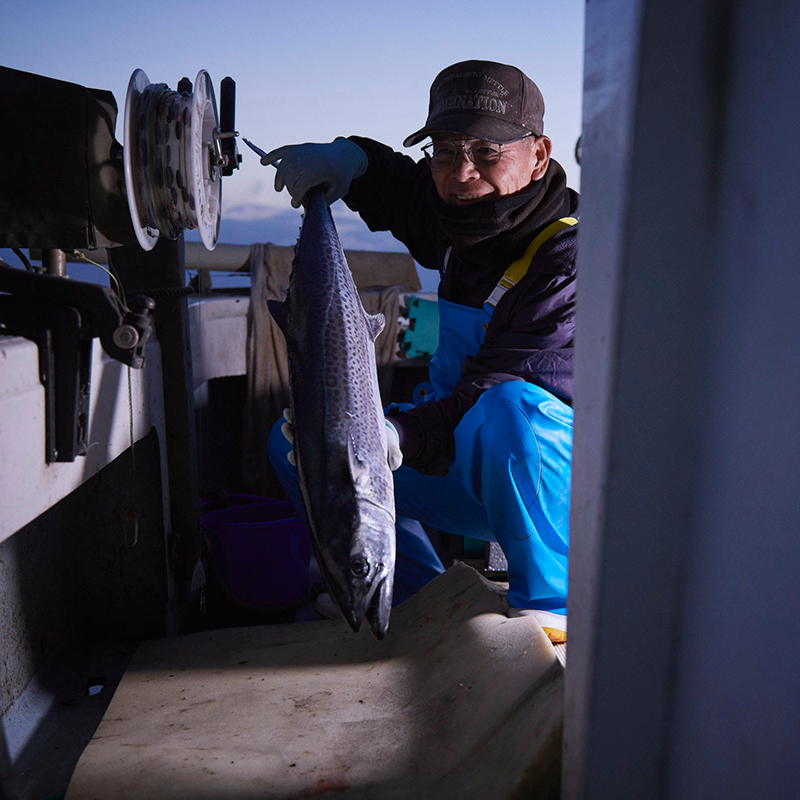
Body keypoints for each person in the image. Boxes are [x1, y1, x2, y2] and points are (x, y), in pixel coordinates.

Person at [264, 60, 577, 643]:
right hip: (462, 457)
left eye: (486, 152)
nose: (462, 173)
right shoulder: (462, 225)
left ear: (539, 153)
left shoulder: (570, 255)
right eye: (445, 150)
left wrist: (397, 438)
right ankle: (404, 596)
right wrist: (348, 162)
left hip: (554, 489)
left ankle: (551, 607)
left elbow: (501, 382)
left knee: (512, 410)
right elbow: (401, 191)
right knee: (298, 453)